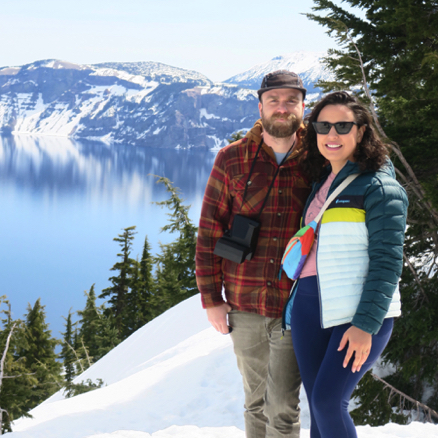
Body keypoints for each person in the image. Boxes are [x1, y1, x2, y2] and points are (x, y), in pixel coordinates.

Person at [283, 91, 408, 438]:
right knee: (318, 406)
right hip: (310, 306)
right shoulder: (323, 182)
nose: (332, 134)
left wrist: (365, 324)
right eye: (324, 126)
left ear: (363, 131)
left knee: (328, 402)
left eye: (343, 126)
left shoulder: (380, 188)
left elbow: (387, 263)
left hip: (357, 312)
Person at [196, 70, 311, 438]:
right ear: (260, 105)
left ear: (302, 107)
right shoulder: (232, 158)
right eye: (274, 100)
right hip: (244, 304)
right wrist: (211, 299)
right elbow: (208, 231)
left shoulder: (319, 158)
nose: (282, 108)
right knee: (254, 402)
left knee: (283, 407)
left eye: (291, 100)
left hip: (294, 305)